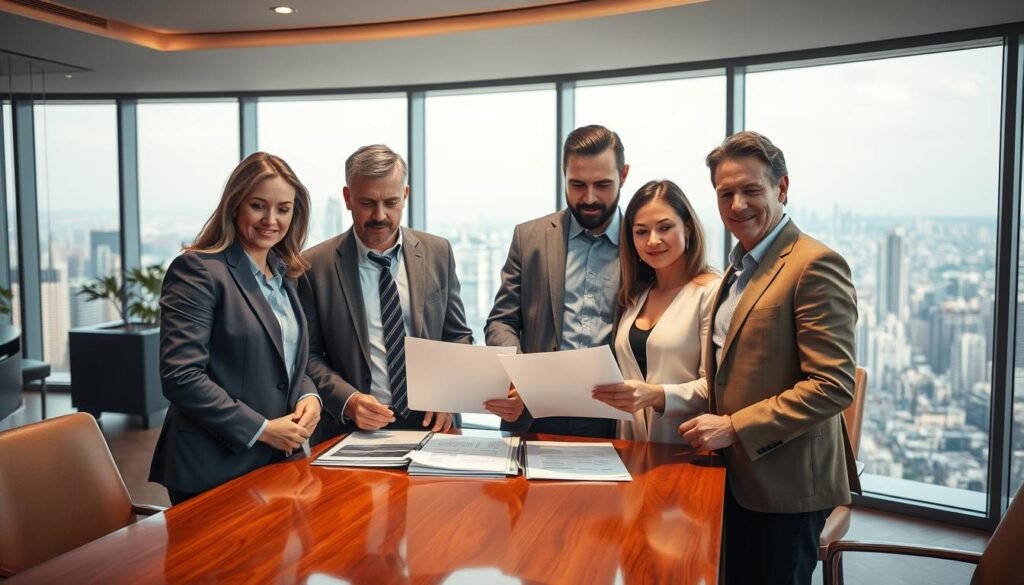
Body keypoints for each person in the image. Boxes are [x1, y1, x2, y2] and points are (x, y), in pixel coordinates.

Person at [678, 131, 861, 584]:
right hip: (736, 478)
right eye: (726, 194)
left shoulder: (814, 265)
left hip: (787, 488)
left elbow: (833, 385)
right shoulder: (737, 268)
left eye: (751, 190)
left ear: (782, 188)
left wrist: (733, 426)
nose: (737, 204)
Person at [150, 152, 321, 505]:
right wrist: (262, 429)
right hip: (213, 466)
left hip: (278, 460)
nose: (271, 220)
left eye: (283, 209)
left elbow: (288, 358)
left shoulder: (286, 274)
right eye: (258, 206)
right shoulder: (197, 271)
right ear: (234, 205)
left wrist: (309, 396)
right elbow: (181, 376)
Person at [299, 144, 473, 443]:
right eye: (367, 203)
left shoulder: (437, 252)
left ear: (405, 196)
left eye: (391, 202)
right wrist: (349, 400)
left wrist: (448, 395)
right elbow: (308, 355)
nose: (380, 215)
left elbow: (457, 335)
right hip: (352, 430)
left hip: (435, 424)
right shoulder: (314, 266)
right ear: (348, 198)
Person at [485, 124, 629, 438]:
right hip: (532, 415)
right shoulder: (530, 237)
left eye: (602, 184)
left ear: (624, 175)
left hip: (615, 419)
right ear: (563, 174)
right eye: (577, 184)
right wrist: (516, 375)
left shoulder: (642, 241)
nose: (589, 198)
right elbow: (501, 321)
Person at [592, 180, 719, 442]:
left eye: (665, 227)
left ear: (687, 227)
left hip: (685, 451)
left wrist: (657, 395)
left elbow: (717, 389)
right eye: (641, 231)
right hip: (631, 451)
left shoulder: (711, 293)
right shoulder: (635, 295)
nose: (653, 240)